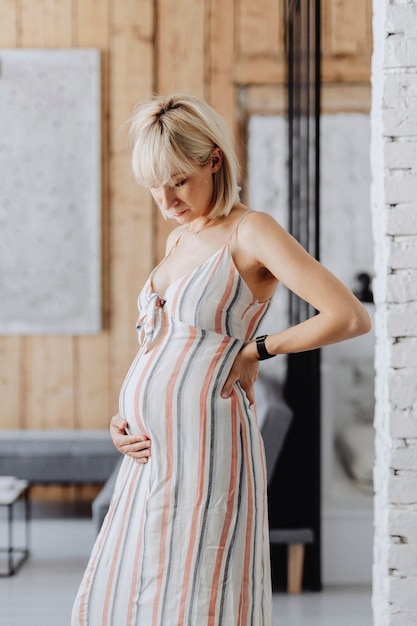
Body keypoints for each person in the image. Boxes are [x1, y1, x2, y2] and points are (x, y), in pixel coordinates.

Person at [71, 93, 371, 626]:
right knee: (138, 587)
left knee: (196, 588)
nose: (167, 199)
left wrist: (258, 349)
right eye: (155, 186)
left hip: (207, 445)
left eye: (178, 181)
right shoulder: (179, 236)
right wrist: (123, 418)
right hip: (149, 454)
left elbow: (347, 315)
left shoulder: (251, 231)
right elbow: (160, 344)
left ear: (214, 158)